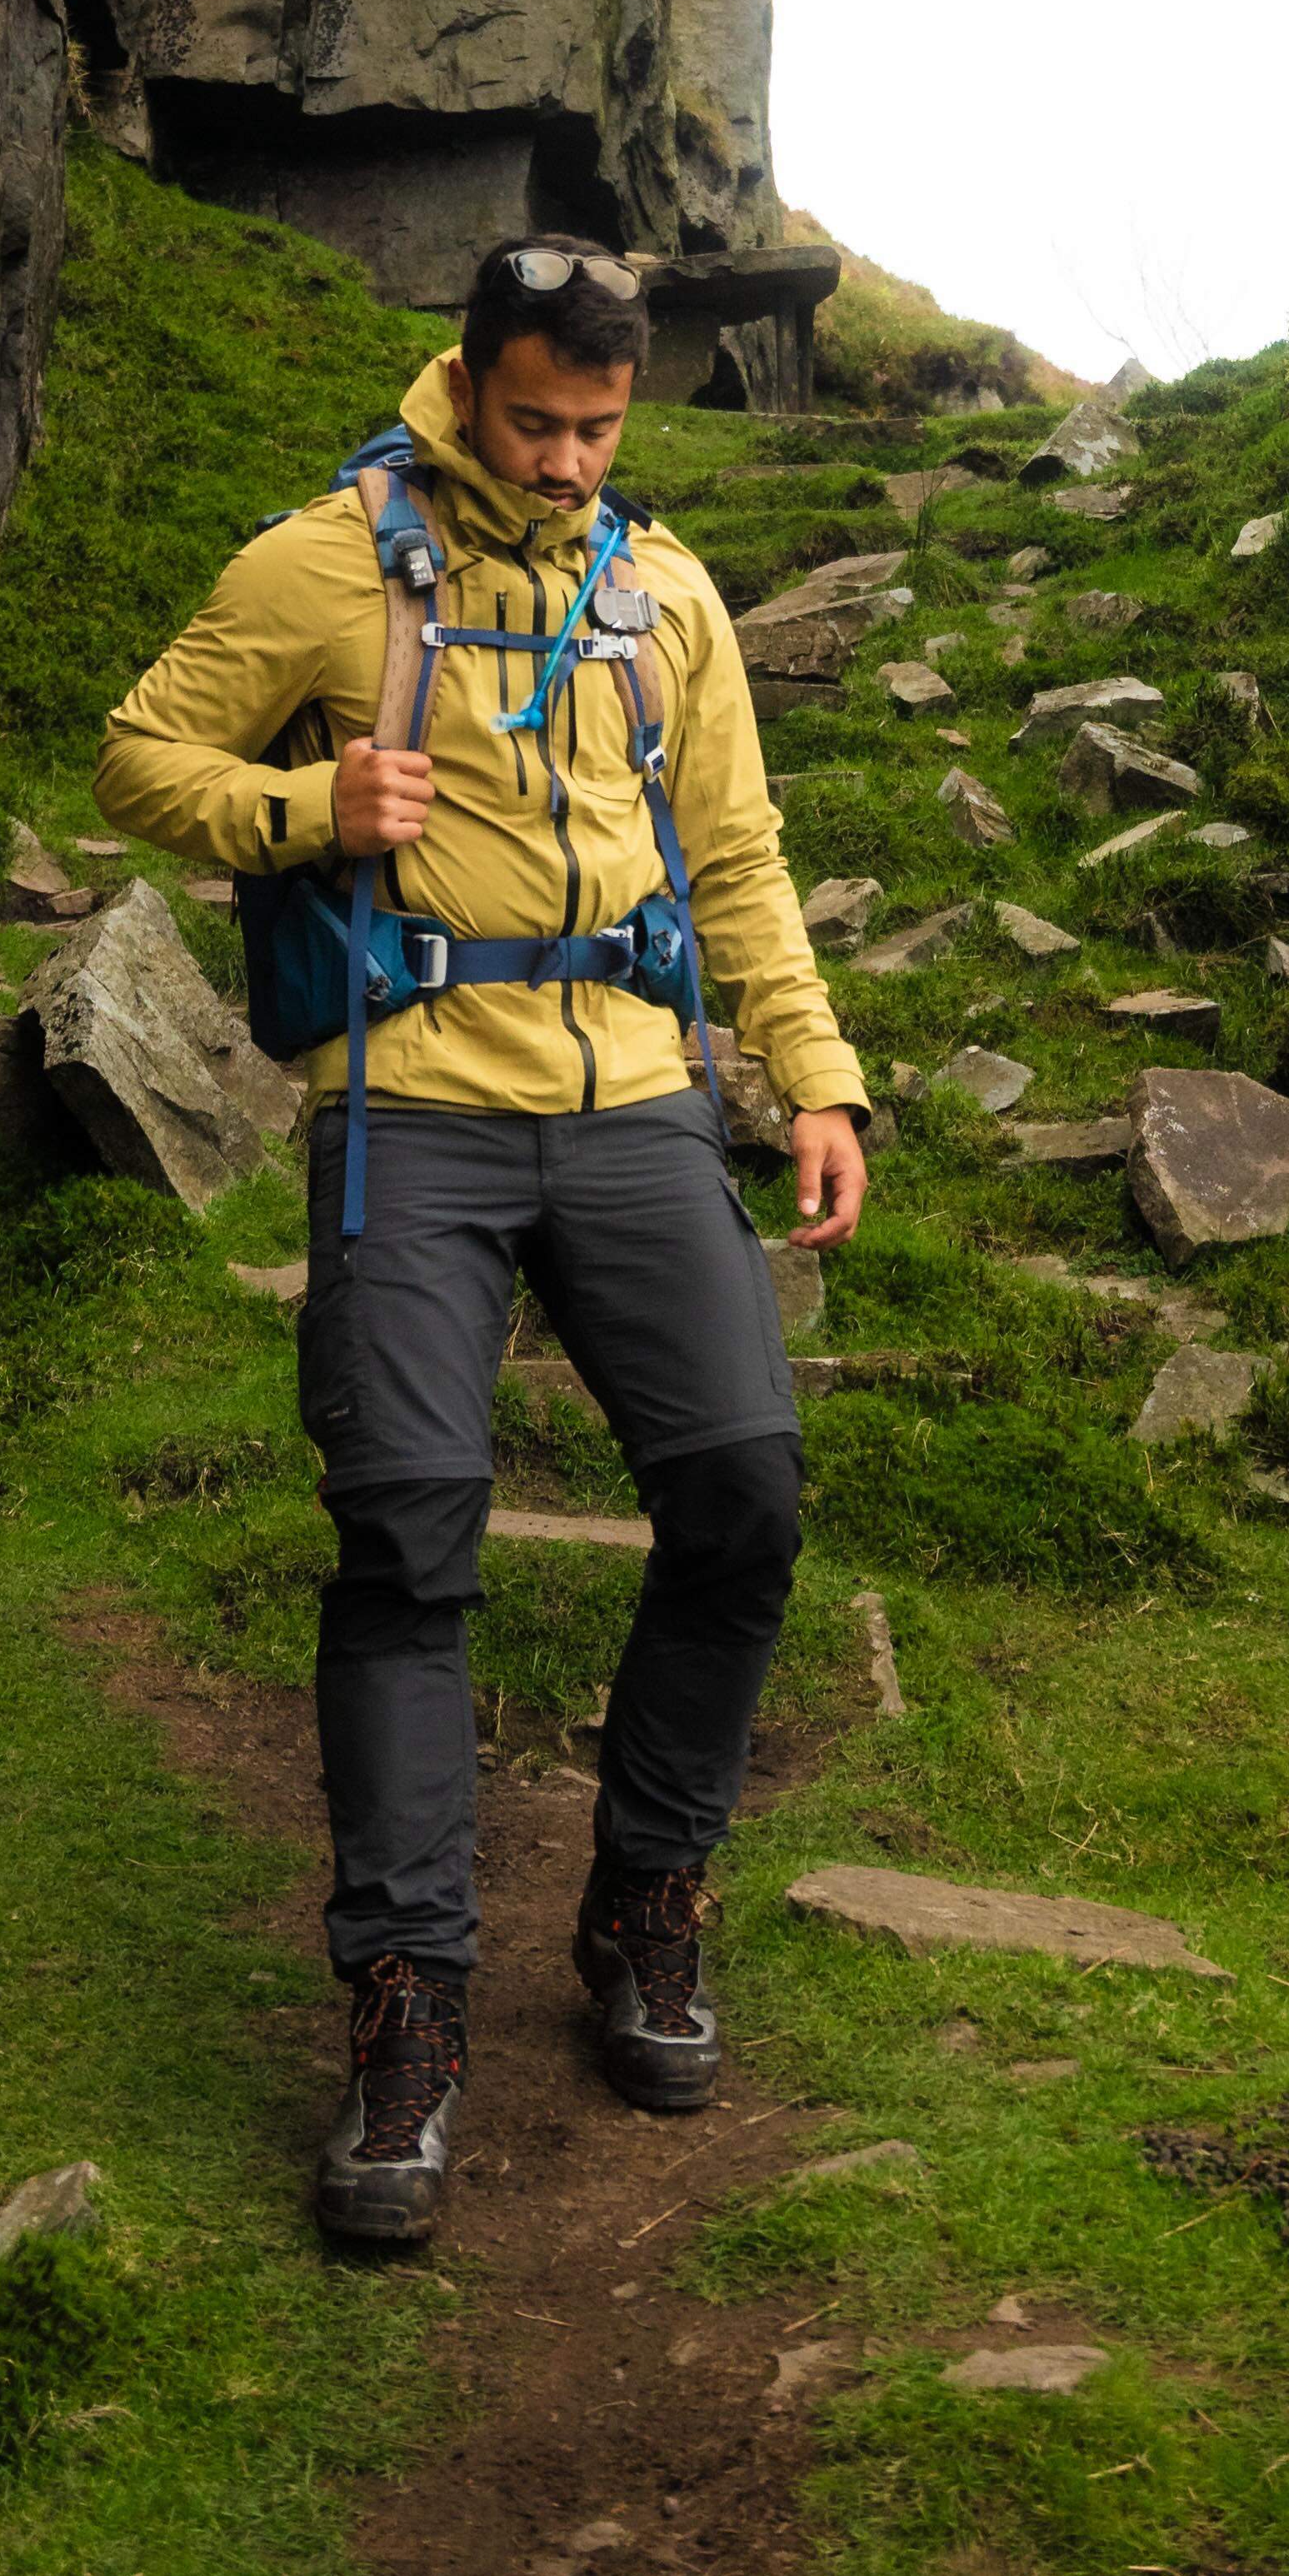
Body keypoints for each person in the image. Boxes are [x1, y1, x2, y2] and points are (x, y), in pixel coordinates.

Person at [95, 236, 868, 2244]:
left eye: (603, 428)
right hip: (412, 1103)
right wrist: (309, 809)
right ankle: (407, 2011)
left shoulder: (669, 591)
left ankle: (643, 1909)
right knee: (410, 1521)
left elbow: (743, 854)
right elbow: (140, 757)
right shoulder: (320, 565)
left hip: (633, 1106)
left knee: (746, 1500)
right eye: (538, 421)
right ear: (468, 378)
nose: (569, 461)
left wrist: (817, 1076)